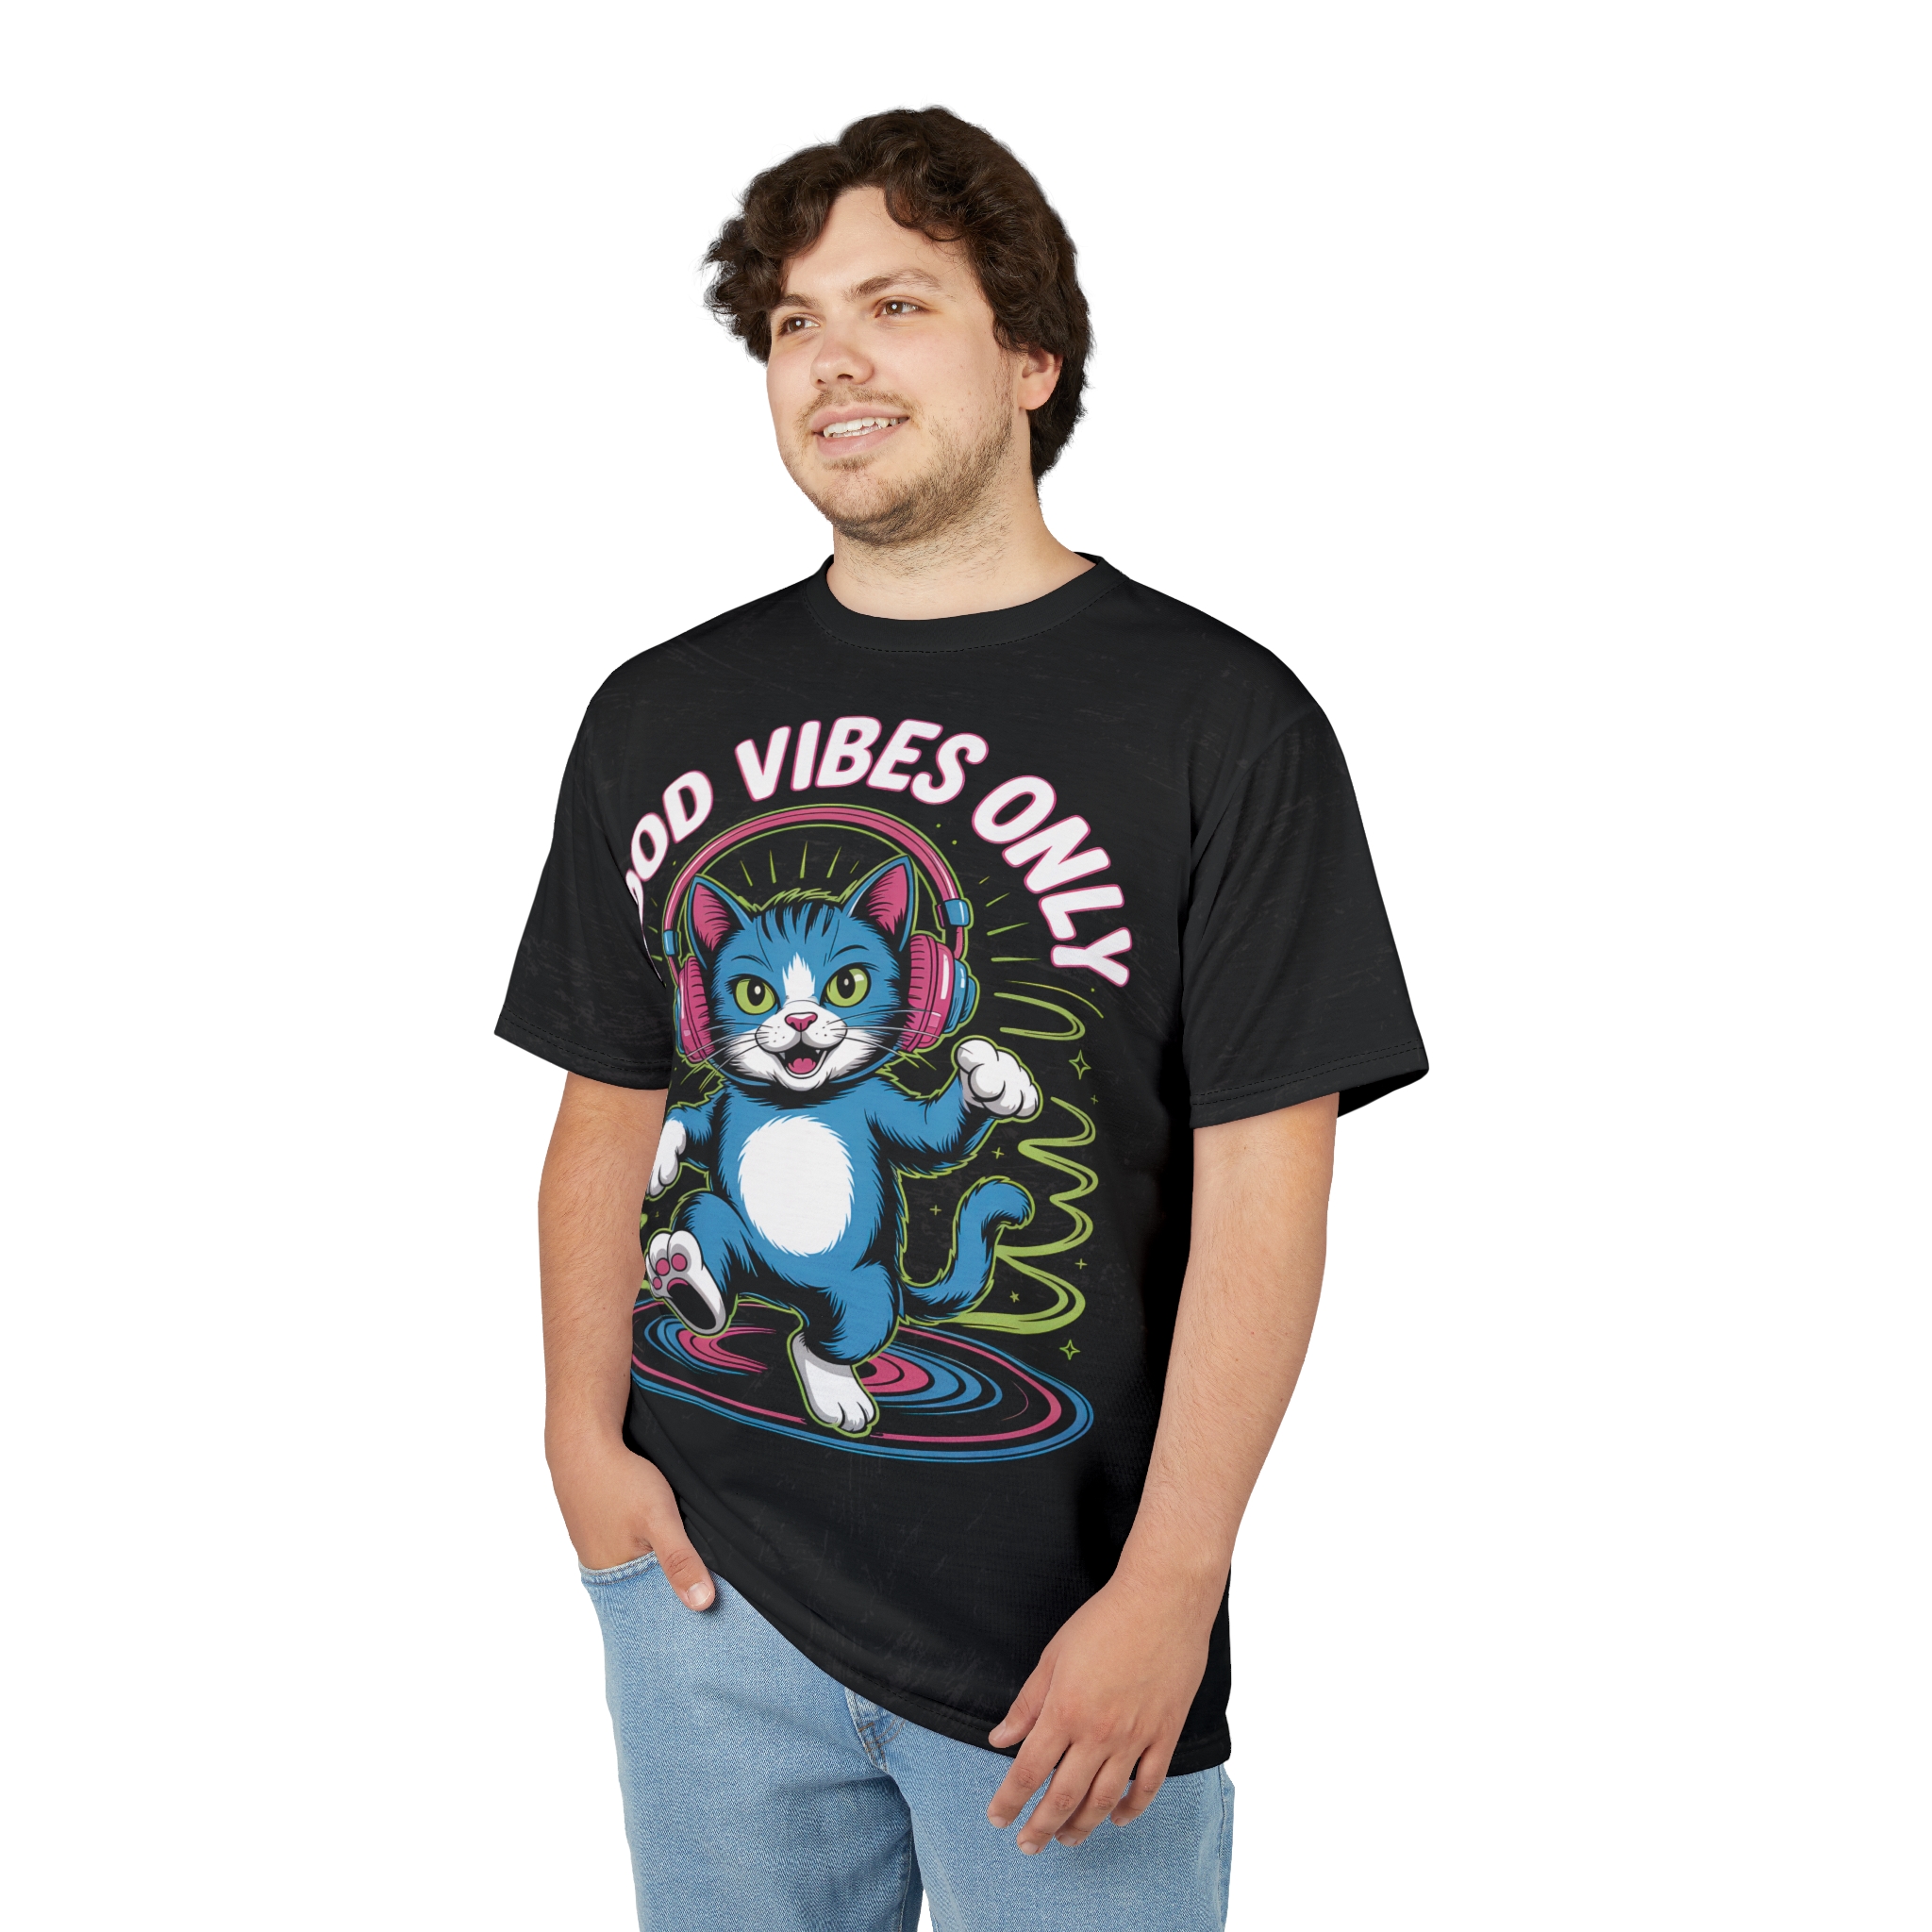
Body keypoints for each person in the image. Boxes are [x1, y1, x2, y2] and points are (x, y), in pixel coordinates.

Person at [496, 107, 1426, 1931]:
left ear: (1031, 357)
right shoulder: (655, 711)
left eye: (897, 304)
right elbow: (610, 1105)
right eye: (793, 323)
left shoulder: (1222, 719)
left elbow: (1267, 1182)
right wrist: (577, 1447)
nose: (831, 358)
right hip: (703, 1598)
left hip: (1065, 1638)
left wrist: (1170, 1587)